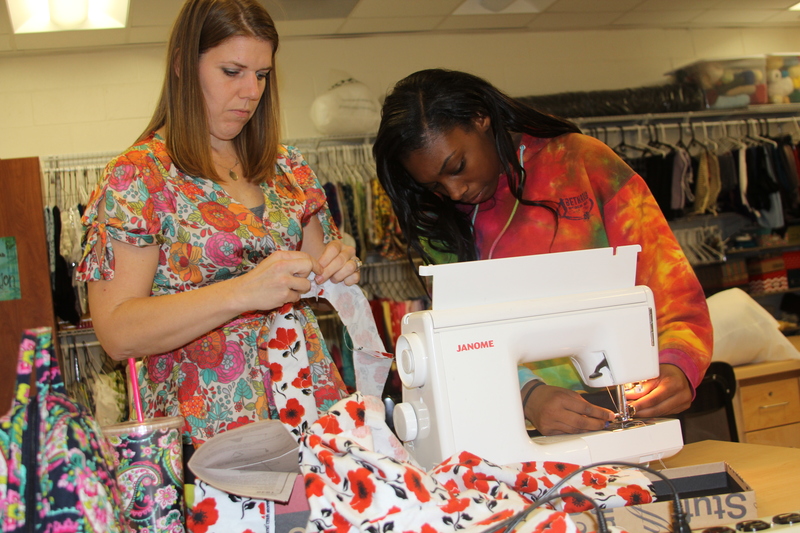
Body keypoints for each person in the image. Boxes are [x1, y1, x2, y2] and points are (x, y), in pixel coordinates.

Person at [76, 0, 361, 448]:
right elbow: (117, 331)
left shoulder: (287, 167)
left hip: (311, 405)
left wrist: (337, 262)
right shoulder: (139, 176)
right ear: (182, 66)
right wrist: (242, 291)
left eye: (262, 75)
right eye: (232, 72)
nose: (251, 91)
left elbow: (313, 267)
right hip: (210, 427)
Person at [373, 68, 713, 436]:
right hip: (519, 425)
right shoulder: (438, 219)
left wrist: (678, 363)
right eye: (436, 184)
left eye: (457, 167)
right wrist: (528, 395)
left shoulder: (582, 163)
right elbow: (461, 338)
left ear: (480, 118)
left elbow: (672, 288)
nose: (454, 191)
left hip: (634, 408)